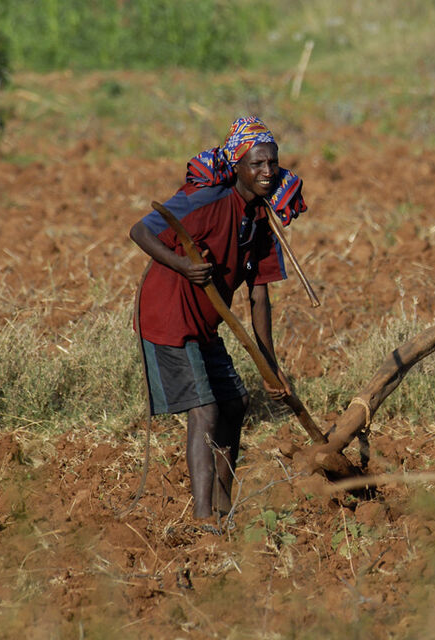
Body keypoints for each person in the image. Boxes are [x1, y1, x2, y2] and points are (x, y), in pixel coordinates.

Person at [129, 116, 306, 522]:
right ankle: (204, 518)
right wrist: (183, 266)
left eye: (272, 162)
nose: (267, 172)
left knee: (235, 403)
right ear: (237, 166)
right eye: (257, 164)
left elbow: (259, 296)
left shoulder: (262, 219)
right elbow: (140, 231)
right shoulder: (205, 200)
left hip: (205, 322)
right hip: (168, 315)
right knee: (205, 410)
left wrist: (270, 367)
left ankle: (224, 507)